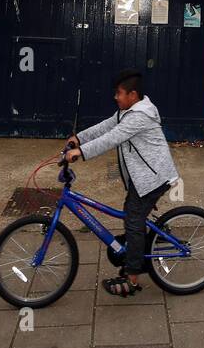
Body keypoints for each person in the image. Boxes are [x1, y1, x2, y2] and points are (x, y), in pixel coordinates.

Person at [64, 69, 179, 297]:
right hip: (143, 177)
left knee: (134, 221)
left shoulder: (138, 117)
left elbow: (111, 138)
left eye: (119, 93)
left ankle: (132, 278)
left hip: (153, 178)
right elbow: (106, 126)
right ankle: (138, 248)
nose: (115, 97)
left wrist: (80, 152)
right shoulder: (127, 112)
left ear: (133, 95)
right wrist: (79, 138)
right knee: (131, 215)